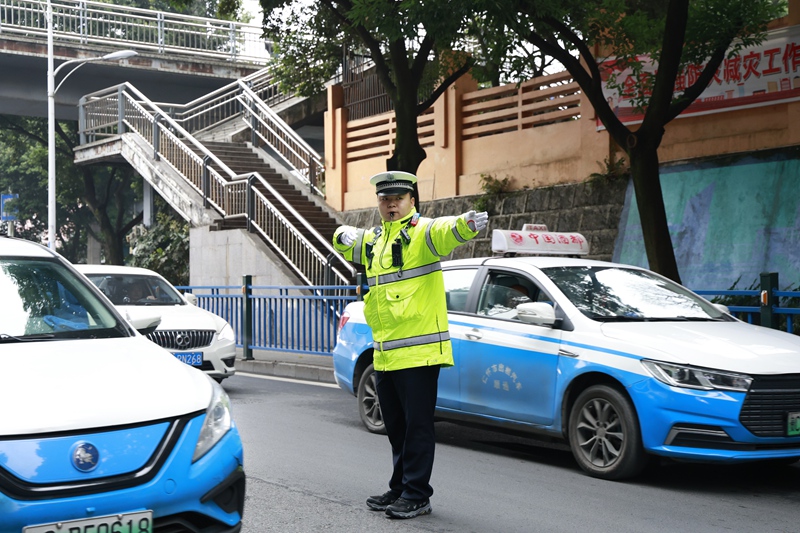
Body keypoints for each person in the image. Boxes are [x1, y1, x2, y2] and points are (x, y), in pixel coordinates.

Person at [333, 171, 488, 519]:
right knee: (397, 426)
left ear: (411, 201)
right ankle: (400, 486)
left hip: (419, 353)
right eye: (385, 199)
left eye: (398, 199)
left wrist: (466, 224)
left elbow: (447, 230)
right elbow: (344, 241)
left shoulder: (423, 234)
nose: (391, 204)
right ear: (379, 203)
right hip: (386, 353)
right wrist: (340, 232)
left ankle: (418, 493)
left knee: (417, 426)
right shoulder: (375, 240)